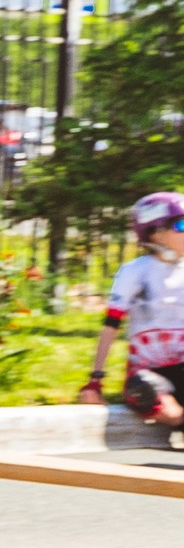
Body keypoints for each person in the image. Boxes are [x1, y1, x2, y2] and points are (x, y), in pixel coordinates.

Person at [79, 191, 184, 448]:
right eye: (181, 225)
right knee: (155, 400)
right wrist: (95, 380)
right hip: (148, 372)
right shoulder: (136, 271)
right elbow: (110, 326)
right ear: (155, 232)